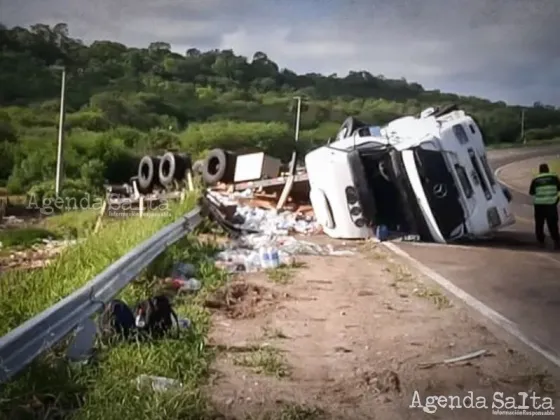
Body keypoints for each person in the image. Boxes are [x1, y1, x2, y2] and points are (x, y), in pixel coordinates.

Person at [528, 163, 560, 249]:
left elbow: (531, 192)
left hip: (539, 204)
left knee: (539, 223)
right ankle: (556, 240)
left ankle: (540, 240)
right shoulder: (554, 177)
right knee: (552, 223)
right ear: (548, 169)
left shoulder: (536, 179)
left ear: (540, 170)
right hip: (551, 204)